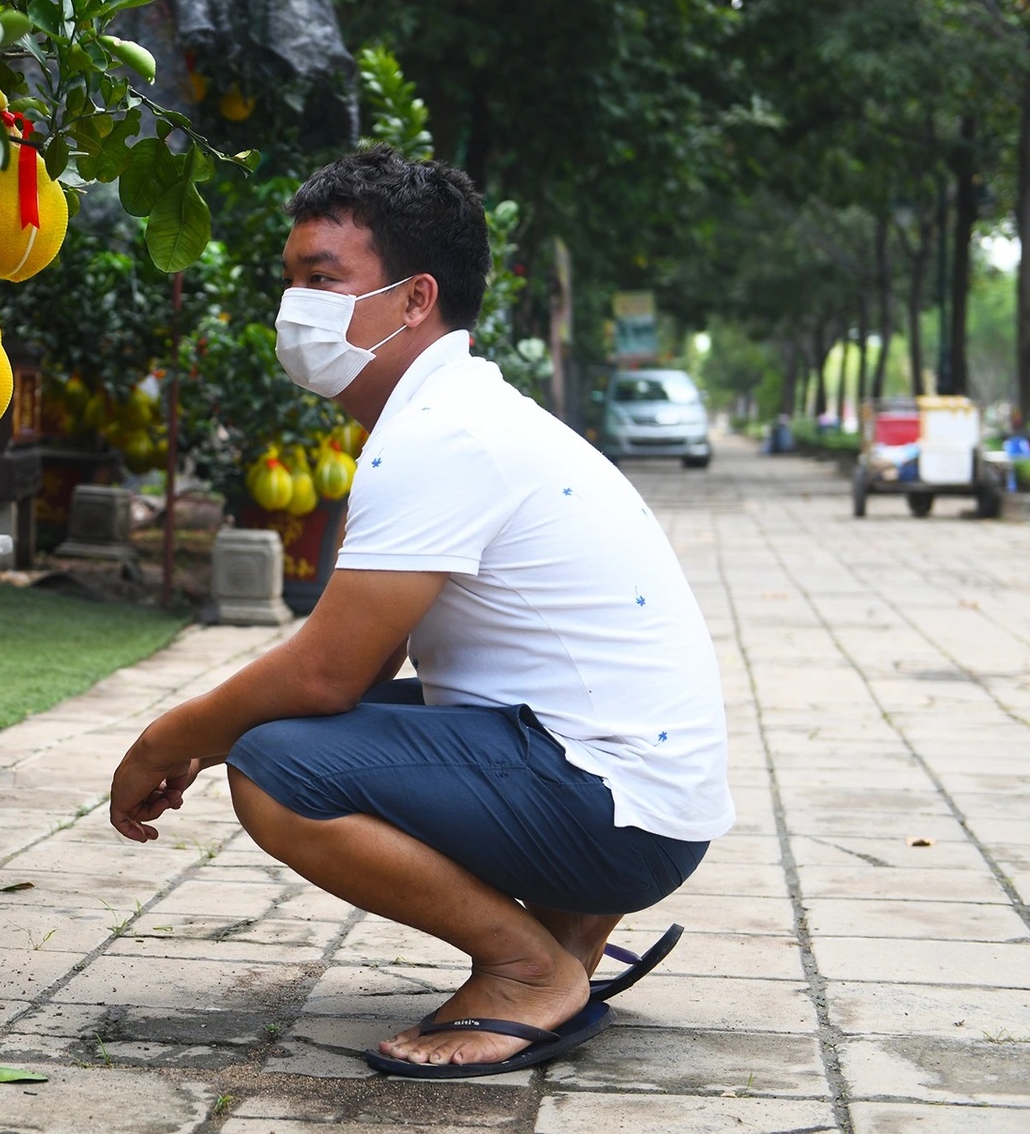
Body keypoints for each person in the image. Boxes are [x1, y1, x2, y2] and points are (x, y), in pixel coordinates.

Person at [108, 146, 733, 1079]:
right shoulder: (456, 414)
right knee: (281, 727)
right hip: (644, 796)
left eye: (323, 280)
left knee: (277, 766)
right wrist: (216, 725)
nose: (295, 306)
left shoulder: (442, 435)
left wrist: (170, 737)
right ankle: (568, 936)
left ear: (414, 299)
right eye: (291, 280)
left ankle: (528, 971)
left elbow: (324, 677)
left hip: (618, 813)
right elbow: (361, 665)